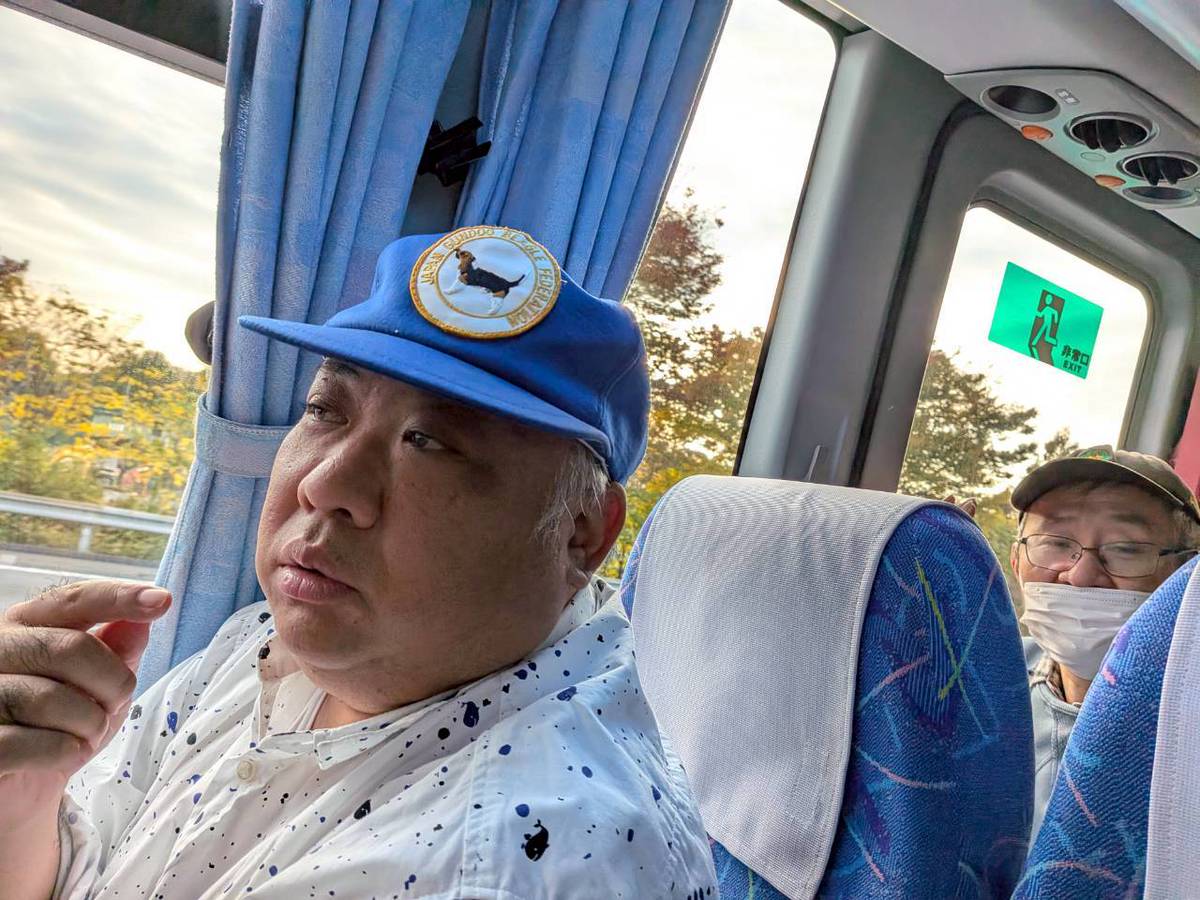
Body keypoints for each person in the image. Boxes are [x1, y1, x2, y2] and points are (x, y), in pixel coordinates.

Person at [0, 226, 718, 899]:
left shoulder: (506, 860)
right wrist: (23, 797)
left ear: (580, 535)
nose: (325, 484)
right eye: (325, 410)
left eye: (428, 442)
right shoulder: (261, 645)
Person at [1009, 445, 1200, 836]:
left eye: (1126, 549)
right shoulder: (975, 683)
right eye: (1055, 543)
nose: (1080, 577)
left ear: (1186, 574)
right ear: (1016, 562)